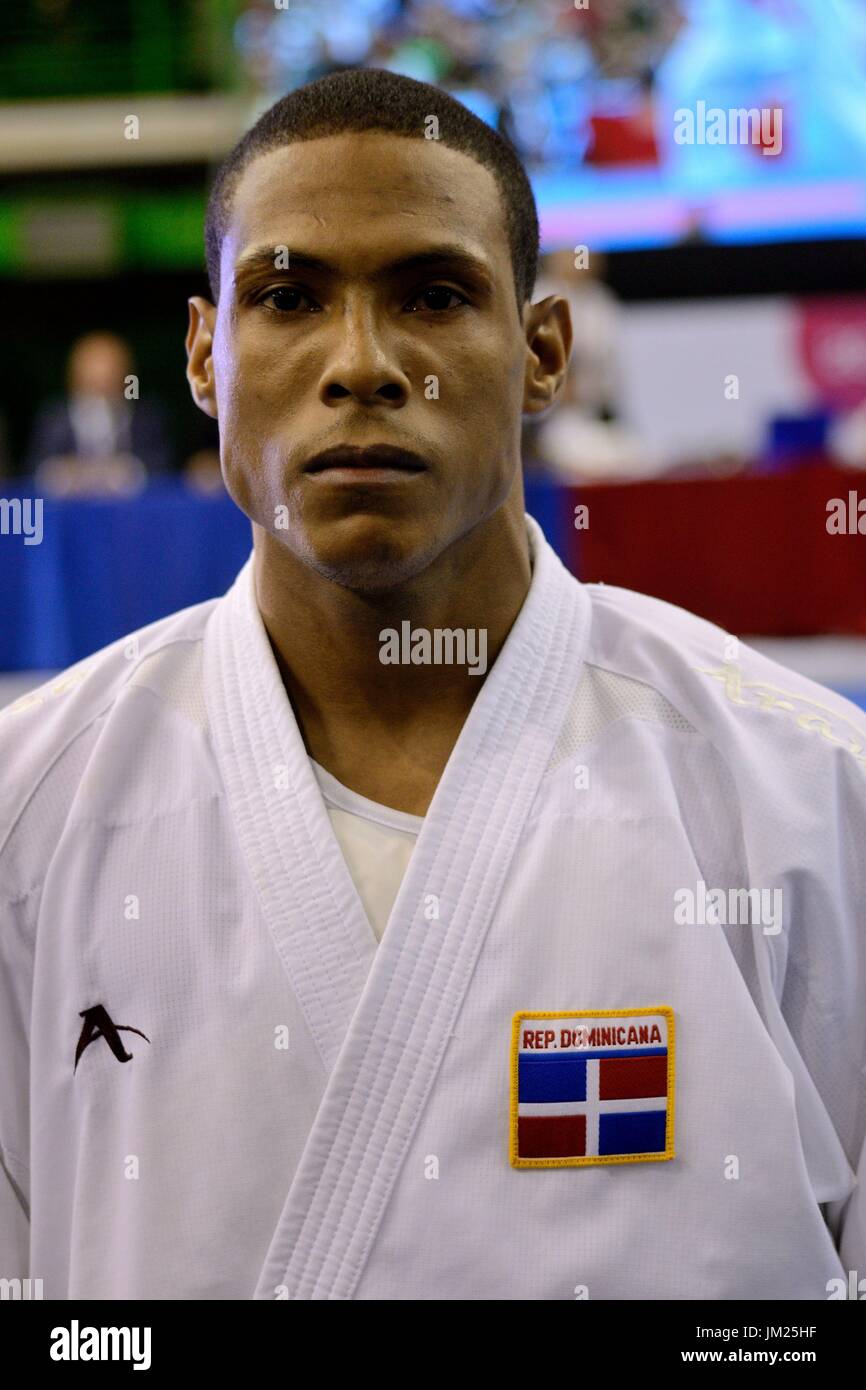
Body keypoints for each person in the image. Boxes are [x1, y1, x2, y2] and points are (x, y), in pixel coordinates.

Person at [0, 68, 863, 1302]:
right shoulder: (29, 818)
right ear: (204, 357)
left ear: (542, 352)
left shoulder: (810, 798)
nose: (361, 365)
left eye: (434, 294)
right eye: (289, 297)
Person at [27, 331, 170, 493]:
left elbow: (162, 467)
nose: (103, 377)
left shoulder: (146, 417)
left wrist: (128, 471)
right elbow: (35, 467)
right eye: (93, 367)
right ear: (75, 373)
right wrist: (62, 472)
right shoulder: (54, 417)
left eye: (111, 368)